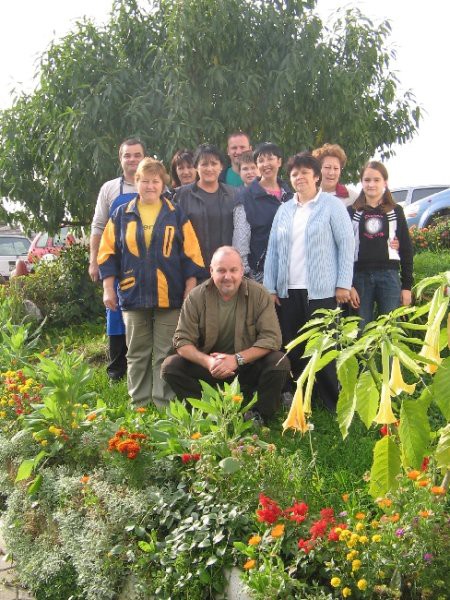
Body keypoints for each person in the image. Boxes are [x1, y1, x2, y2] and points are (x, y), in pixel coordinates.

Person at [98, 158, 206, 409]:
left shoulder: (175, 214)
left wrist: (190, 290)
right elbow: (106, 254)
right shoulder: (121, 215)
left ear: (162, 184)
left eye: (155, 181)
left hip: (170, 294)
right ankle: (139, 404)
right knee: (136, 353)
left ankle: (162, 405)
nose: (149, 185)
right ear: (136, 183)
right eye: (144, 181)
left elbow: (192, 255)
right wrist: (107, 288)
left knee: (165, 353)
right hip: (132, 293)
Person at [264, 152, 354, 411]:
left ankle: (331, 402)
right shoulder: (284, 209)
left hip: (323, 292)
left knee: (324, 348)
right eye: (294, 174)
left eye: (304, 172)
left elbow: (347, 244)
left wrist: (343, 284)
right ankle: (302, 399)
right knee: (294, 346)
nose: (299, 177)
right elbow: (273, 250)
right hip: (288, 292)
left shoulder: (331, 205)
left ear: (316, 176)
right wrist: (270, 287)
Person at [161, 246, 290, 424]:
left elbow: (272, 338)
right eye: (221, 270)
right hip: (211, 368)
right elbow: (182, 341)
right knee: (171, 366)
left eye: (233, 270)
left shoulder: (259, 294)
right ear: (211, 271)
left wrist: (236, 359)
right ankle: (209, 412)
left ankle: (258, 414)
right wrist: (209, 362)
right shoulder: (196, 297)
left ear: (241, 271)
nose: (227, 276)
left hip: (247, 365)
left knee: (279, 361)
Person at [89, 137, 145, 381]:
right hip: (117, 265)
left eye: (137, 155)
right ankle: (115, 372)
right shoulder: (110, 188)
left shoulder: (157, 186)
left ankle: (142, 371)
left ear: (145, 157)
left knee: (144, 316)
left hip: (147, 266)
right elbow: (98, 227)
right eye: (127, 155)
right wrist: (94, 261)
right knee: (115, 315)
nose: (132, 159)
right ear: (120, 159)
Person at [349, 161, 413, 328]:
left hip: (389, 276)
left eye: (377, 180)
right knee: (361, 332)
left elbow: (406, 249)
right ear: (361, 182)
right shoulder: (352, 212)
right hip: (360, 278)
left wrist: (406, 286)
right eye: (367, 180)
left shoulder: (395, 211)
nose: (371, 184)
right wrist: (348, 284)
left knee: (391, 330)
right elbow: (344, 250)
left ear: (385, 182)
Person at [233, 142, 292, 282]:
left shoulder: (290, 195)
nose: (266, 164)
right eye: (261, 160)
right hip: (260, 274)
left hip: (290, 271)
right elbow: (241, 240)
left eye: (270, 159)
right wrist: (246, 274)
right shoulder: (246, 197)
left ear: (279, 162)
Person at [175, 144, 238, 271]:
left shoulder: (233, 194)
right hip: (193, 270)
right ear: (196, 167)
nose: (209, 168)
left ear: (221, 167)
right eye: (204, 164)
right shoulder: (182, 195)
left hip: (226, 270)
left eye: (214, 164)